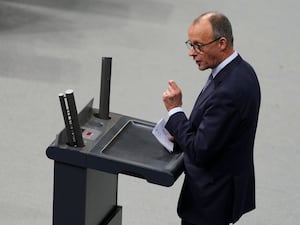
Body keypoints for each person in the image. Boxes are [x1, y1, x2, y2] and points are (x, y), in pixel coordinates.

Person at [162, 12, 261, 225]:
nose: (191, 52)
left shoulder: (230, 91)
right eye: (190, 44)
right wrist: (182, 134)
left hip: (211, 199)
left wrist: (175, 111)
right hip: (221, 188)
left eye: (198, 46)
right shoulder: (241, 70)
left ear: (222, 43)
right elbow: (217, 129)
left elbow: (200, 151)